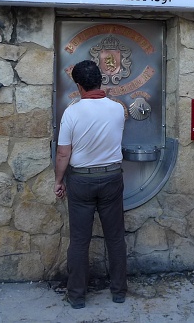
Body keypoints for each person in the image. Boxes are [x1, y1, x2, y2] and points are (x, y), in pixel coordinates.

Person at [54, 59, 127, 309]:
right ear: (101, 80)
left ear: (78, 85)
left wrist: (58, 180)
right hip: (111, 178)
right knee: (115, 238)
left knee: (79, 240)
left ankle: (76, 296)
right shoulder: (117, 108)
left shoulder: (72, 112)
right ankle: (119, 291)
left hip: (81, 181)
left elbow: (64, 154)